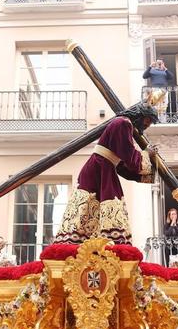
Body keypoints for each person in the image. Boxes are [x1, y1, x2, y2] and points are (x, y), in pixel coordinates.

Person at [53, 104, 158, 245]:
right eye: (147, 121)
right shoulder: (123, 123)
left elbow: (122, 166)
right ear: (140, 116)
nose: (147, 126)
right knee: (92, 209)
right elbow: (129, 156)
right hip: (99, 169)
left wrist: (145, 170)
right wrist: (146, 153)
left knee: (94, 209)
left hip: (103, 169)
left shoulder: (123, 125)